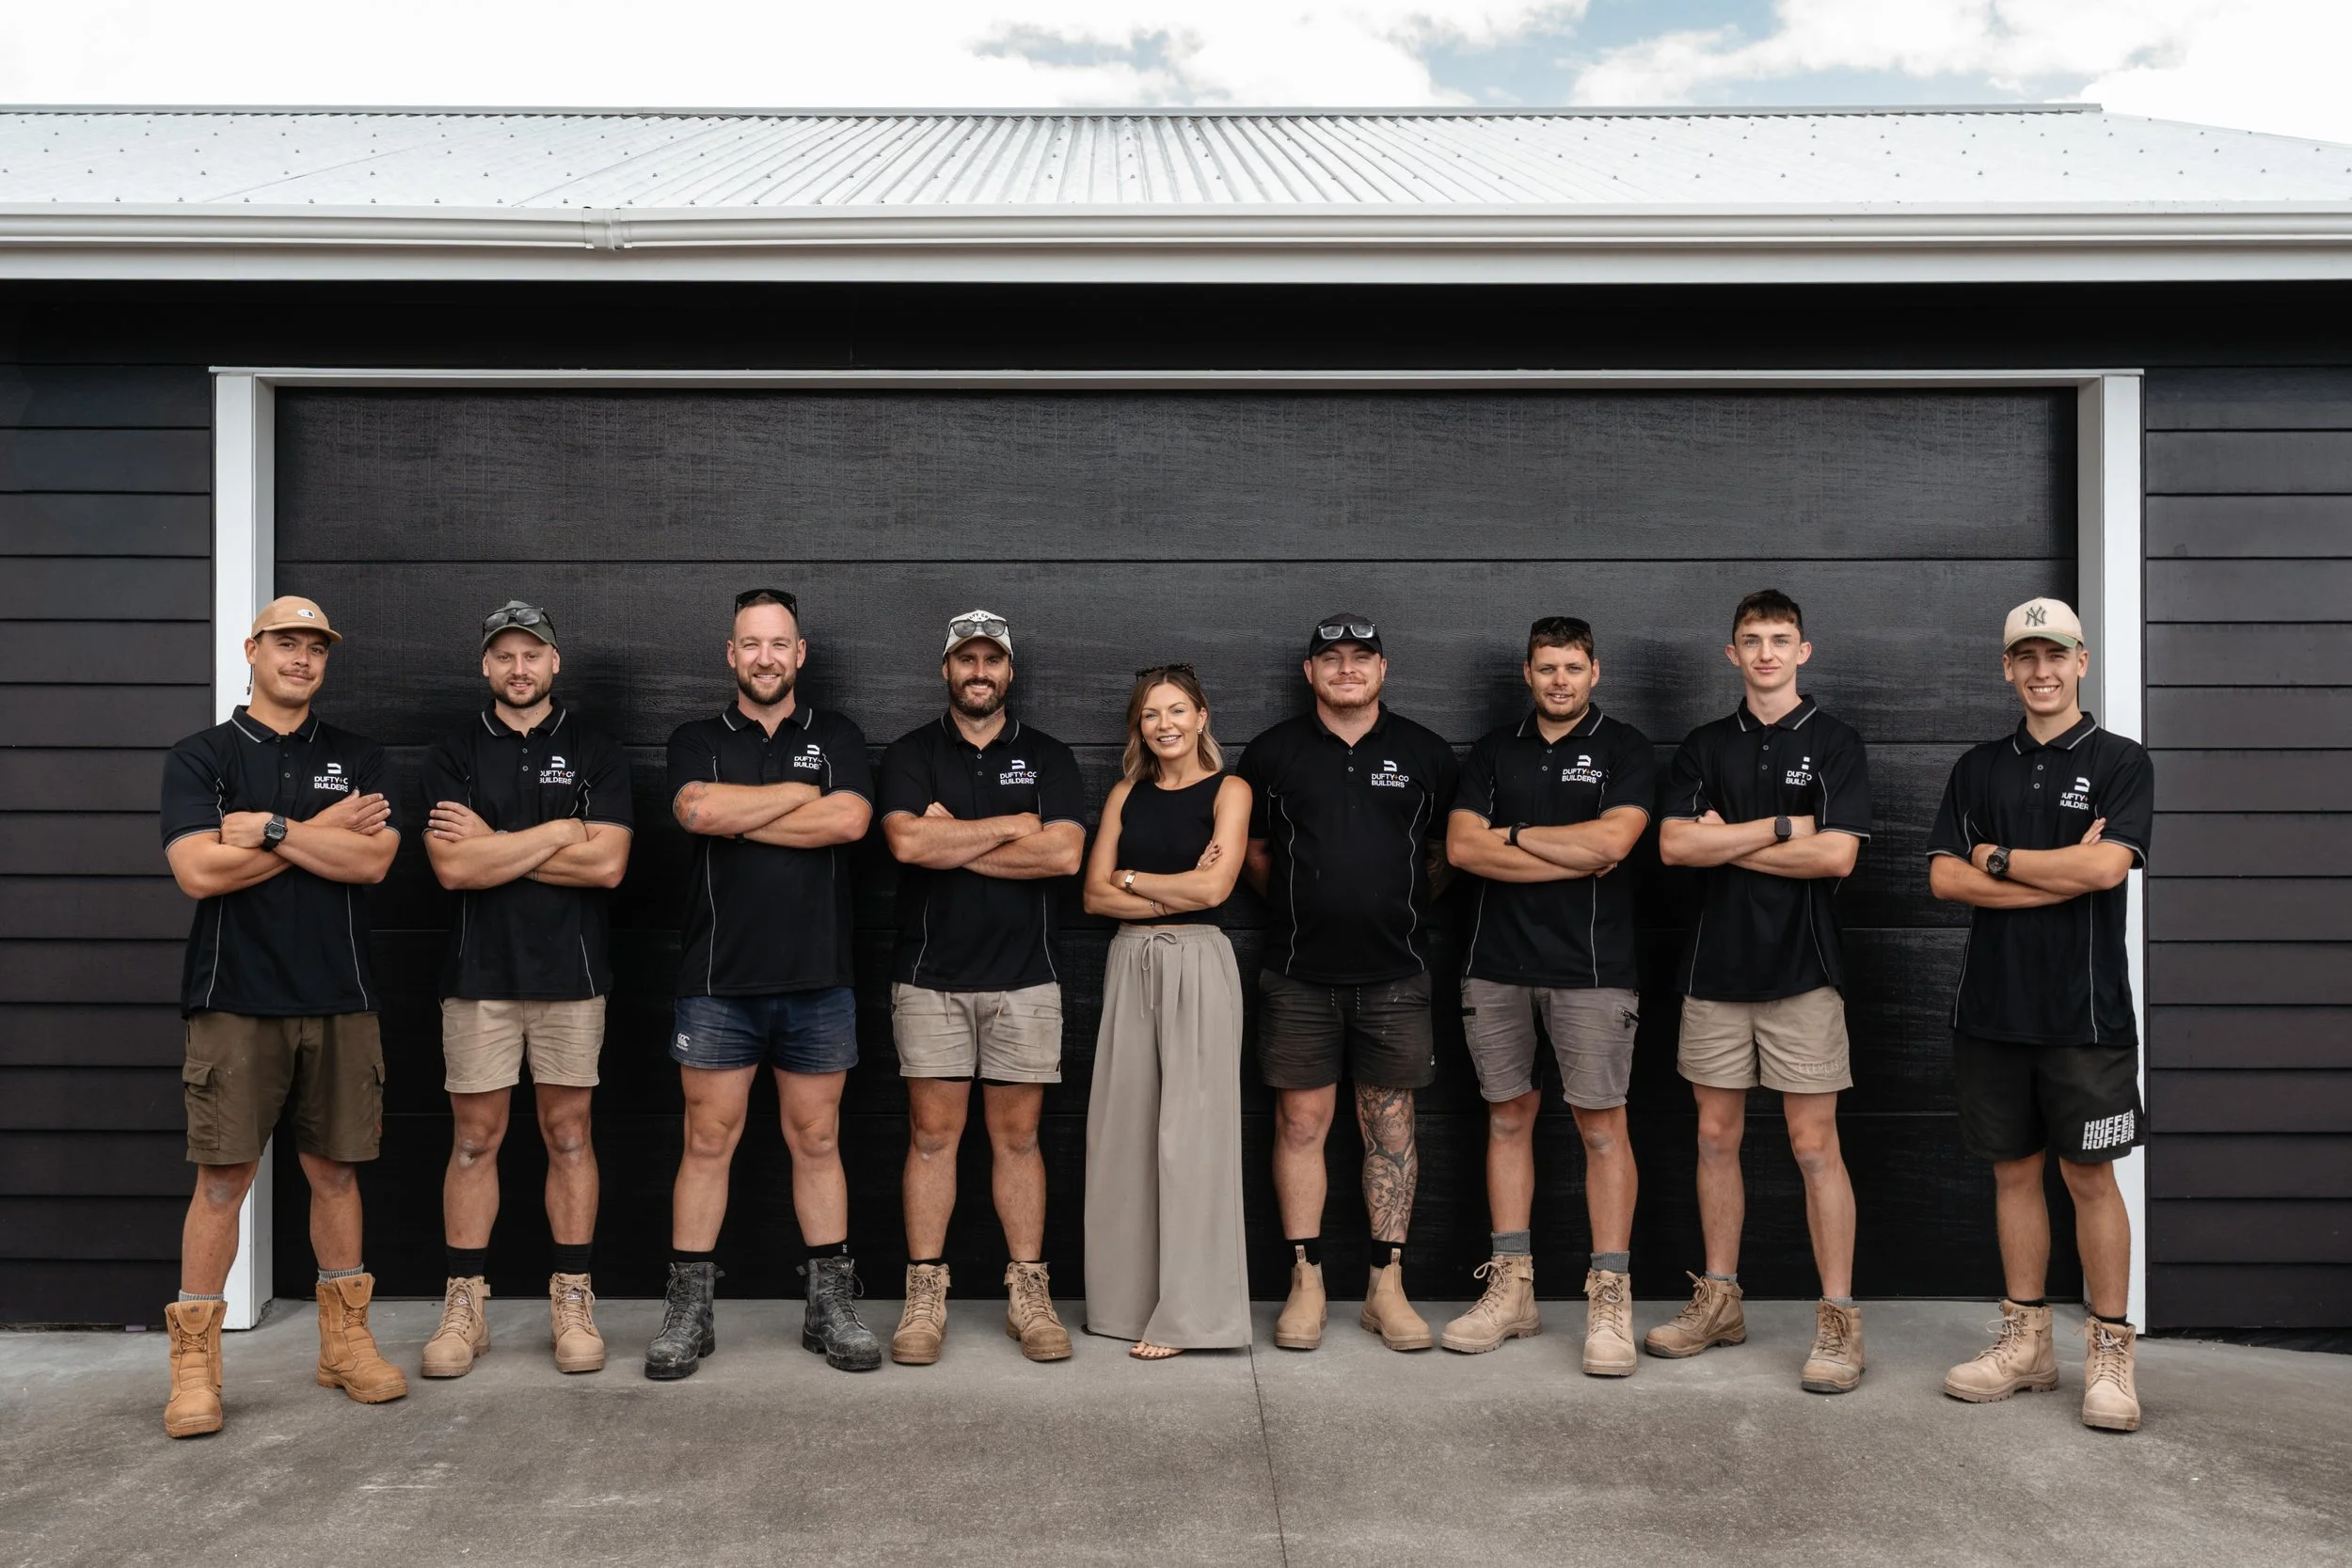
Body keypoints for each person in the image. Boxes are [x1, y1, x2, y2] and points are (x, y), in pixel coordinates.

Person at [157, 595, 405, 1437]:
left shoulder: (358, 755)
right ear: (252, 649)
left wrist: (265, 831)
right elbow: (198, 872)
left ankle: (345, 1345)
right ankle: (195, 1367)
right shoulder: (203, 756)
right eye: (286, 643)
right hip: (234, 999)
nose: (301, 658)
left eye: (315, 647)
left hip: (341, 997)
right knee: (223, 1180)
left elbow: (372, 860)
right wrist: (317, 833)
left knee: (336, 1173)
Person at [1928, 597, 2153, 1433]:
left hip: (2085, 1017)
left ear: (2081, 662)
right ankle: (2027, 1346)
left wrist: (1997, 858)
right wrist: (2053, 872)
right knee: (2014, 1174)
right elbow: (1944, 878)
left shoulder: (2123, 761)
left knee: (2089, 1178)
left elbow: (2105, 871)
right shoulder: (1978, 767)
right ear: (2007, 668)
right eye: (2026, 656)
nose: (2041, 670)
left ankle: (2111, 1356)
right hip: (1991, 1012)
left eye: (2056, 654)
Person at [644, 589, 881, 1379]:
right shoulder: (697, 738)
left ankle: (829, 1307)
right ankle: (689, 1311)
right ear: (731, 653)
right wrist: (797, 799)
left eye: (779, 643)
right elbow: (695, 811)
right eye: (751, 643)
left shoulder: (837, 735)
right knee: (706, 1141)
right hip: (719, 981)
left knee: (817, 1139)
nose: (766, 657)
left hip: (819, 980)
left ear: (800, 653)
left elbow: (849, 821)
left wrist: (740, 815)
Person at [1653, 588, 1872, 1394]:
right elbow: (1675, 846)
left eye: (1781, 639)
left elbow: (1838, 856)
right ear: (1733, 653)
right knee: (1715, 1137)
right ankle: (1720, 1301)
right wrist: (1784, 826)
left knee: (1815, 1147)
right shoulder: (1705, 745)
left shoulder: (1836, 741)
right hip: (1714, 974)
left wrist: (1726, 840)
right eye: (1753, 639)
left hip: (1804, 973)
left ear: (1803, 651)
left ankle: (1839, 1319)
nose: (1767, 652)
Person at [417, 600, 633, 1379]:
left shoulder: (594, 749)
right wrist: (561, 831)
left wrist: (497, 845)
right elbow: (453, 868)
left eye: (531, 654)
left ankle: (572, 1298)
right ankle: (463, 1304)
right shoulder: (453, 753)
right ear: (486, 664)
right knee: (475, 1140)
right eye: (504, 655)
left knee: (569, 1135)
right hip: (479, 978)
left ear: (554, 662)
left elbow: (608, 864)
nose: (519, 668)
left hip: (572, 977)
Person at [1238, 613, 1458, 1353]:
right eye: (1330, 658)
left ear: (1383, 669)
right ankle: (1305, 1281)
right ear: (1309, 673)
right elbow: (1254, 854)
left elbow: (1446, 852)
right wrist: (1309, 906)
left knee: (1389, 1131)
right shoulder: (1272, 753)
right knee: (1301, 1126)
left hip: (1395, 974)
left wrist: (1392, 905)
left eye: (1361, 656)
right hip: (1299, 974)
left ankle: (1384, 1286)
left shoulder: (1426, 752)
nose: (1346, 669)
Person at [1443, 617, 1653, 1375]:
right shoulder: (1493, 750)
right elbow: (1462, 847)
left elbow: (1613, 844)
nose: (1559, 680)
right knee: (1508, 1119)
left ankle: (1610, 1297)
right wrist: (1565, 847)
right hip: (1495, 965)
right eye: (1546, 667)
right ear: (1526, 674)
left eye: (1572, 667)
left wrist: (1511, 836)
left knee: (1602, 1130)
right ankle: (1513, 1289)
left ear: (1596, 671)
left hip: (1592, 968)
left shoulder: (1624, 747)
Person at [880, 610, 1087, 1366]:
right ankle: (924, 1293)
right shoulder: (912, 752)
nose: (978, 671)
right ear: (946, 669)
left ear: (1008, 671)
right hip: (930, 979)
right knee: (932, 1138)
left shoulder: (1048, 754)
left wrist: (954, 838)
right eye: (965, 658)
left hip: (1025, 979)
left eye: (990, 659)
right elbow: (906, 841)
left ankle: (1028, 1292)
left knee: (1019, 1138)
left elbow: (1063, 855)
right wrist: (1013, 824)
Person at [1080, 664, 1254, 1359]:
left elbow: (1214, 890)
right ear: (1139, 726)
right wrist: (1162, 889)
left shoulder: (1231, 790)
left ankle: (1191, 1316)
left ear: (1201, 716)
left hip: (1199, 962)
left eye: (1178, 710)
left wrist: (1131, 878)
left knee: (1193, 1139)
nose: (1165, 724)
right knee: (1122, 1134)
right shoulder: (1127, 792)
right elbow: (1093, 894)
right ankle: (1125, 1306)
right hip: (1129, 960)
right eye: (1152, 714)